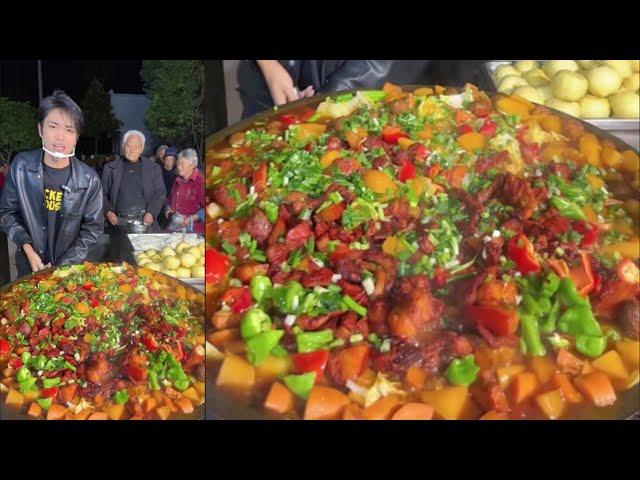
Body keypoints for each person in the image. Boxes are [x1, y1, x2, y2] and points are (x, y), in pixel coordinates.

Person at [0, 90, 103, 278]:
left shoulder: (89, 180)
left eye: (69, 130)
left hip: (68, 271)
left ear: (76, 137)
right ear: (41, 129)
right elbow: (7, 213)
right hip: (29, 264)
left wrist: (62, 267)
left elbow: (92, 230)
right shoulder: (22, 167)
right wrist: (28, 249)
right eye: (53, 126)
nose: (60, 136)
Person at [101, 130, 166, 233]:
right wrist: (108, 212)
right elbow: (101, 194)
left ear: (142, 148)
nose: (132, 150)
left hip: (144, 222)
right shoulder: (110, 168)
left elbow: (160, 192)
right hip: (118, 223)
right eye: (129, 146)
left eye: (136, 147)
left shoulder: (153, 168)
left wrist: (151, 213)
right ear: (123, 147)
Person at [165, 148, 205, 234]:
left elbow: (207, 209)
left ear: (193, 164)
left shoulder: (201, 182)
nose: (179, 167)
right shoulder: (177, 180)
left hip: (194, 230)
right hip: (175, 226)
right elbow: (170, 199)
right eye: (178, 163)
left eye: (182, 164)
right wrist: (169, 209)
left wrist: (192, 218)